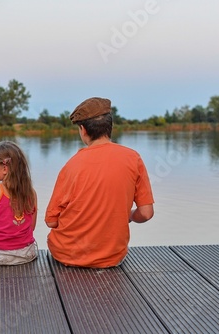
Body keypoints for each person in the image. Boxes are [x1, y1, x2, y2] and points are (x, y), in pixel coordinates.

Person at [45, 97, 154, 268]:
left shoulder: (72, 165)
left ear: (83, 130)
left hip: (67, 255)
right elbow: (146, 213)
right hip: (112, 258)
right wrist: (129, 216)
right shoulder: (133, 158)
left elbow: (51, 221)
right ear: (110, 127)